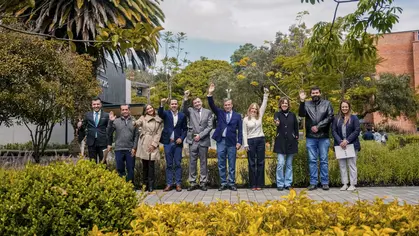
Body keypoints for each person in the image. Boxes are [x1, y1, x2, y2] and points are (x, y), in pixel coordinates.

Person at [207, 83, 243, 191]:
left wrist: (239, 141)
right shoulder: (220, 113)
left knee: (231, 164)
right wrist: (210, 93)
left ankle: (231, 183)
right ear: (224, 106)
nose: (227, 106)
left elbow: (240, 130)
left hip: (232, 142)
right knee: (221, 164)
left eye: (229, 105)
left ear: (232, 105)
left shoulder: (237, 116)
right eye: (225, 105)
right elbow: (212, 105)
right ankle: (223, 183)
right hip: (221, 141)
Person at [299, 86, 334, 191]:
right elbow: (301, 114)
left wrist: (318, 126)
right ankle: (313, 183)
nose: (315, 94)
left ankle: (325, 182)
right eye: (313, 93)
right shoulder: (306, 104)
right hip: (311, 137)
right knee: (312, 160)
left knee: (324, 160)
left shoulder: (327, 104)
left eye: (316, 92)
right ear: (311, 94)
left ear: (320, 93)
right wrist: (301, 101)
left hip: (323, 136)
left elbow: (330, 117)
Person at [182, 91, 214, 191]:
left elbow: (210, 127)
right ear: (193, 104)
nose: (197, 103)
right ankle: (192, 182)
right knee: (192, 162)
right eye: (195, 102)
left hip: (203, 140)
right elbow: (183, 109)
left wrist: (200, 136)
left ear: (201, 102)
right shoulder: (190, 111)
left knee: (203, 162)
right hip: (192, 140)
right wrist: (185, 98)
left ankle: (203, 182)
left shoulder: (208, 112)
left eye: (198, 102)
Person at [158, 98, 188, 192]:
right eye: (172, 104)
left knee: (178, 164)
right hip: (168, 143)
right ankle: (169, 184)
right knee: (169, 164)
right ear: (170, 105)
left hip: (178, 143)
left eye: (175, 104)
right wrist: (162, 104)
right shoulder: (166, 114)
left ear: (177, 105)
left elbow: (185, 129)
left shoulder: (182, 115)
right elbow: (160, 113)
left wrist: (181, 138)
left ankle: (178, 184)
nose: (174, 105)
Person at [243, 88, 269, 191]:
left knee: (260, 162)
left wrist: (265, 95)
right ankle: (253, 184)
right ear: (249, 110)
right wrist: (245, 144)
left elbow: (264, 105)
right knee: (252, 163)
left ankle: (260, 184)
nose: (254, 110)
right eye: (252, 109)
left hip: (260, 140)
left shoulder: (260, 116)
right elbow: (244, 132)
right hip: (250, 141)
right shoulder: (245, 119)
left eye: (255, 109)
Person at [332, 100, 361, 191]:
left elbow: (356, 131)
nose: (344, 108)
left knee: (352, 165)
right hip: (340, 145)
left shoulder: (354, 118)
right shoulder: (336, 119)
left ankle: (352, 184)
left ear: (349, 107)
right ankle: (344, 183)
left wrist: (347, 140)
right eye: (343, 107)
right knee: (342, 165)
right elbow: (333, 131)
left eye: (346, 106)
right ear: (340, 108)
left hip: (351, 145)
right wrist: (340, 141)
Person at [107, 105, 139, 183]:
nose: (125, 111)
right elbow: (109, 132)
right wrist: (110, 121)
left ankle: (130, 185)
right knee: (120, 169)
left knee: (130, 168)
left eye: (126, 109)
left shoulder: (134, 121)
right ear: (121, 111)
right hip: (119, 149)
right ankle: (122, 186)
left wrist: (134, 147)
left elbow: (136, 136)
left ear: (129, 110)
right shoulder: (116, 121)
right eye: (123, 110)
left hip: (130, 149)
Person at [135, 104, 163, 192]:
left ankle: (151, 185)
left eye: (151, 108)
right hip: (144, 142)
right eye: (148, 109)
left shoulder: (158, 119)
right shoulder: (143, 118)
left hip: (153, 141)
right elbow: (137, 123)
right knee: (145, 165)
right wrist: (134, 122)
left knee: (151, 165)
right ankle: (144, 185)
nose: (150, 109)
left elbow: (159, 133)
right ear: (145, 111)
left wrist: (154, 144)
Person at [273, 97, 299, 191]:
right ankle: (280, 183)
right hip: (280, 142)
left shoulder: (293, 115)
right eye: (283, 103)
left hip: (291, 142)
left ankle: (287, 183)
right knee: (280, 163)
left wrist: (296, 136)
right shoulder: (277, 114)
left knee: (289, 164)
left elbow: (296, 127)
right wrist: (277, 122)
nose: (284, 105)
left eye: (286, 103)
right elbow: (276, 121)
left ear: (288, 105)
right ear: (280, 105)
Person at [77, 97, 110, 163]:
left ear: (101, 105)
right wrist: (79, 126)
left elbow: (109, 129)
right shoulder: (87, 115)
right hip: (91, 142)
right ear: (92, 105)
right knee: (92, 162)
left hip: (102, 142)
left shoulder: (106, 115)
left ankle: (103, 173)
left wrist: (112, 121)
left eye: (98, 104)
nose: (96, 106)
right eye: (94, 104)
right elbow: (83, 126)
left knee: (103, 162)